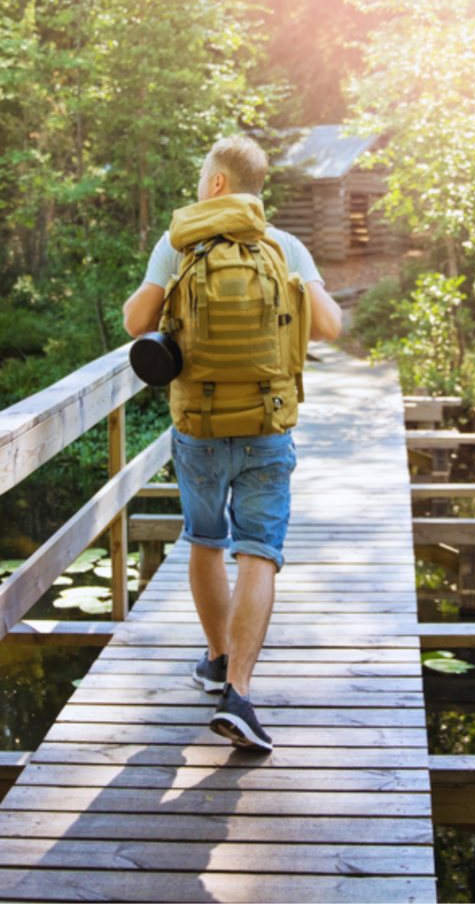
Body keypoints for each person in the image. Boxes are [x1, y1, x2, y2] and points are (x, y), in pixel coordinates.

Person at [123, 135, 342, 750]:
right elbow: (328, 326)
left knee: (205, 541)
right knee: (259, 552)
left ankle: (216, 657)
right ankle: (238, 694)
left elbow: (135, 324)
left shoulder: (180, 243)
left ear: (218, 183)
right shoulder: (285, 245)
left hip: (197, 427)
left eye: (202, 176)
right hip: (267, 425)